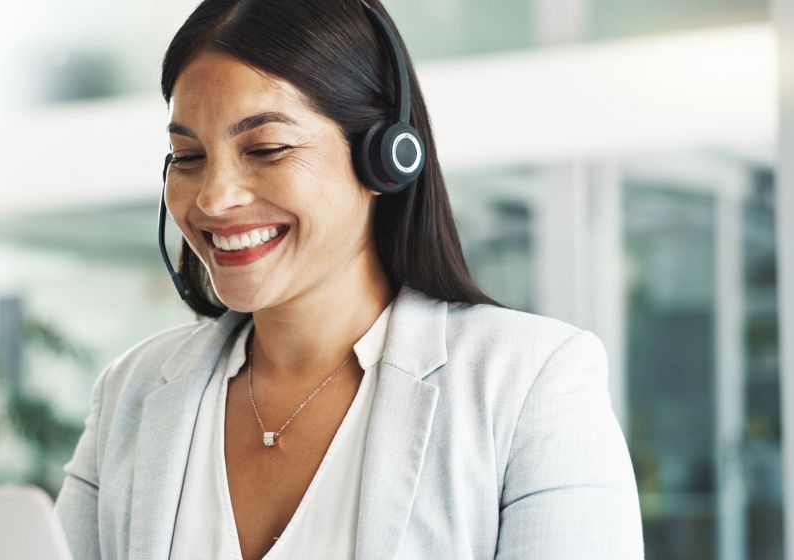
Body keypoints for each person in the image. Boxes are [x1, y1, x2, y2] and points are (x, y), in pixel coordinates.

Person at [53, 0, 645, 558]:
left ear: (386, 157)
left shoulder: (530, 384)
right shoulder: (128, 394)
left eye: (266, 148)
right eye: (188, 157)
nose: (213, 197)